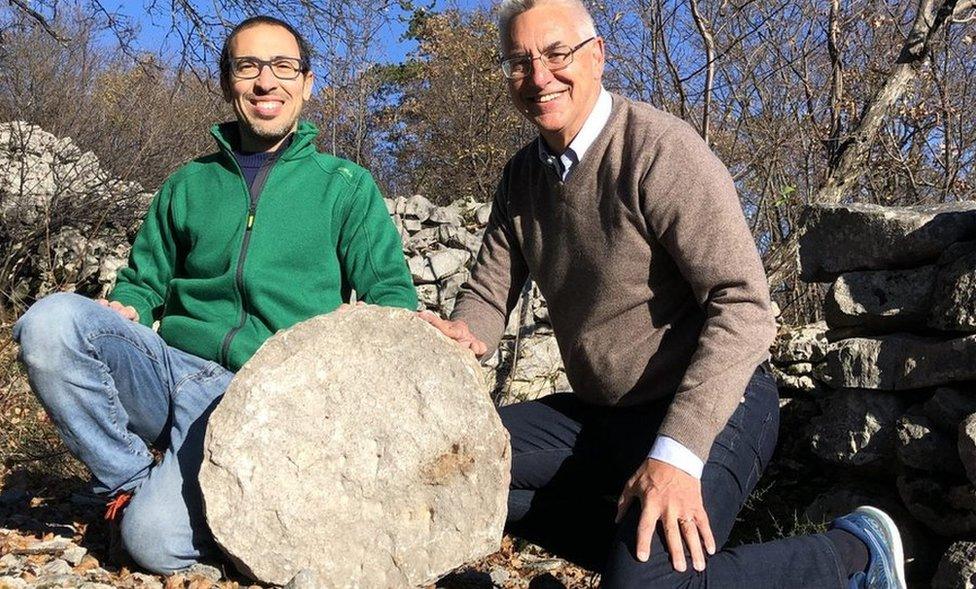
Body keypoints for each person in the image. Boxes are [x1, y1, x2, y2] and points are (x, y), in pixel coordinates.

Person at [421, 0, 907, 586]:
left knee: (645, 585)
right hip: (603, 417)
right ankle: (646, 563)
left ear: (596, 55)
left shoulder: (657, 149)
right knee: (461, 466)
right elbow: (488, 292)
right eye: (519, 62)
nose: (539, 77)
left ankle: (853, 555)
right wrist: (462, 334)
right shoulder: (522, 177)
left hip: (714, 404)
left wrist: (677, 454)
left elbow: (745, 309)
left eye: (555, 54)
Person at [13, 15, 417, 575]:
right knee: (49, 322)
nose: (264, 82)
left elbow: (391, 298)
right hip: (172, 371)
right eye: (247, 66)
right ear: (228, 81)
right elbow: (143, 283)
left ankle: (195, 502)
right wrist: (128, 306)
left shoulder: (344, 187)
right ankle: (129, 482)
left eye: (282, 67)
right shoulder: (186, 183)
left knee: (154, 545)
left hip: (269, 395)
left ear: (307, 82)